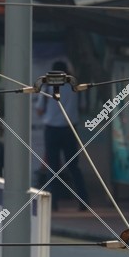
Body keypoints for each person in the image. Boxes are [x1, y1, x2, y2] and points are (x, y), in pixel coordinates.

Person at [34, 61, 88, 211]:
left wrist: (52, 113)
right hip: (70, 129)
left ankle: (54, 203)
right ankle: (83, 201)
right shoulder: (74, 86)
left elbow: (39, 109)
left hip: (51, 129)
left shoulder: (47, 86)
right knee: (73, 166)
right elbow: (82, 107)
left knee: (53, 167)